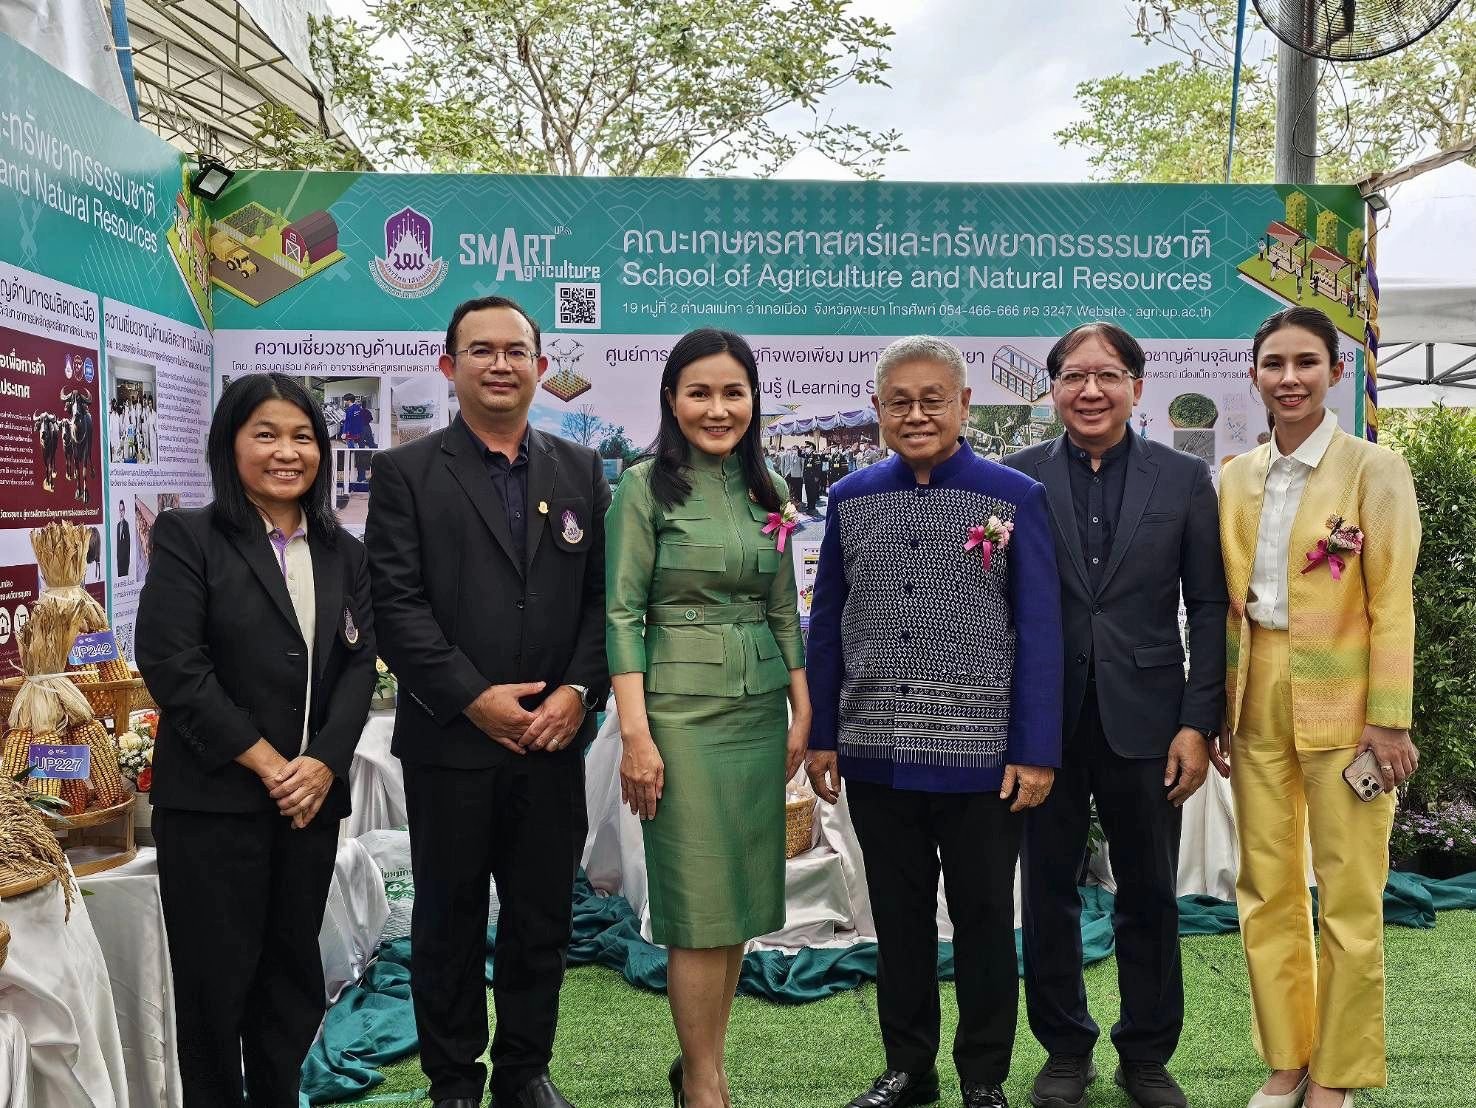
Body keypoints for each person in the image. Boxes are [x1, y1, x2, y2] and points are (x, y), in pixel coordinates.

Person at [365, 295, 610, 1108]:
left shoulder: (580, 471)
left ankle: (524, 1072)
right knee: (448, 918)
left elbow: (601, 604)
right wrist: (473, 699)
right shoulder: (405, 473)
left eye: (516, 350)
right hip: (451, 743)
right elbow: (394, 606)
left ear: (542, 366)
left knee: (543, 916)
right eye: (481, 351)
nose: (500, 364)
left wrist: (577, 692)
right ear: (449, 366)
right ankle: (454, 1080)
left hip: (553, 738)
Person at [807, 336, 1064, 1108]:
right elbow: (827, 624)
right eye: (899, 401)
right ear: (878, 407)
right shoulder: (851, 498)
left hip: (981, 752)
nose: (915, 414)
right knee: (899, 917)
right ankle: (908, 1068)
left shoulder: (1013, 496)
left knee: (986, 920)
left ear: (963, 406)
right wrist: (823, 732)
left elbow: (1041, 627)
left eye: (932, 400)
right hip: (876, 745)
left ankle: (983, 1076)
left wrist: (1034, 749)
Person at [135, 373, 375, 1107]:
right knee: (215, 992)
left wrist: (325, 766)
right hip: (215, 807)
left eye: (302, 436)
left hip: (307, 809)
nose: (286, 452)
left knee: (290, 985)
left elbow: (359, 666)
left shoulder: (344, 553)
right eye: (265, 434)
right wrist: (274, 765)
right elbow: (175, 665)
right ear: (229, 444)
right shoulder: (189, 537)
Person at [1004, 323, 1227, 1108]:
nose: (1089, 391)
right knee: (1048, 893)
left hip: (1151, 720)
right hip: (1044, 725)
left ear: (1138, 384)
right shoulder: (1016, 480)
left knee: (1151, 890)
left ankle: (1147, 1052)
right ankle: (1065, 1048)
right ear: (1053, 388)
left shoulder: (1184, 480)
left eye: (1107, 375)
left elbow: (1206, 606)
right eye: (1073, 376)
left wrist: (1198, 723)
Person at [1218, 307, 1420, 1108]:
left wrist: (1389, 716)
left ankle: (1337, 1071)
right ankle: (1287, 1057)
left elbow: (1394, 601)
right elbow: (1227, 606)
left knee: (1348, 891)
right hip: (1255, 694)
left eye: (1307, 362)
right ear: (1255, 375)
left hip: (1349, 701)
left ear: (1338, 372)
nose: (1290, 377)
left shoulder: (1376, 468)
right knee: (1264, 889)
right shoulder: (1234, 475)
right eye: (1274, 363)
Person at [606, 328, 810, 1108]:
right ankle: (703, 1083)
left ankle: (705, 1059)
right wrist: (635, 734)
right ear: (671, 399)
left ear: (753, 401)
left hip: (757, 712)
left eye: (734, 392)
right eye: (700, 392)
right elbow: (623, 613)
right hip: (677, 717)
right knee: (698, 903)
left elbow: (784, 609)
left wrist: (802, 709)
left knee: (740, 900)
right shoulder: (641, 486)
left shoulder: (772, 493)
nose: (718, 408)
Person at [116, 499, 131, 577]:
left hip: (125, 559)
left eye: (122, 510)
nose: (121, 512)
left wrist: (127, 559)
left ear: (124, 511)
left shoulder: (126, 524)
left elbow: (128, 543)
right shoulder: (118, 525)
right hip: (119, 558)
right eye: (120, 510)